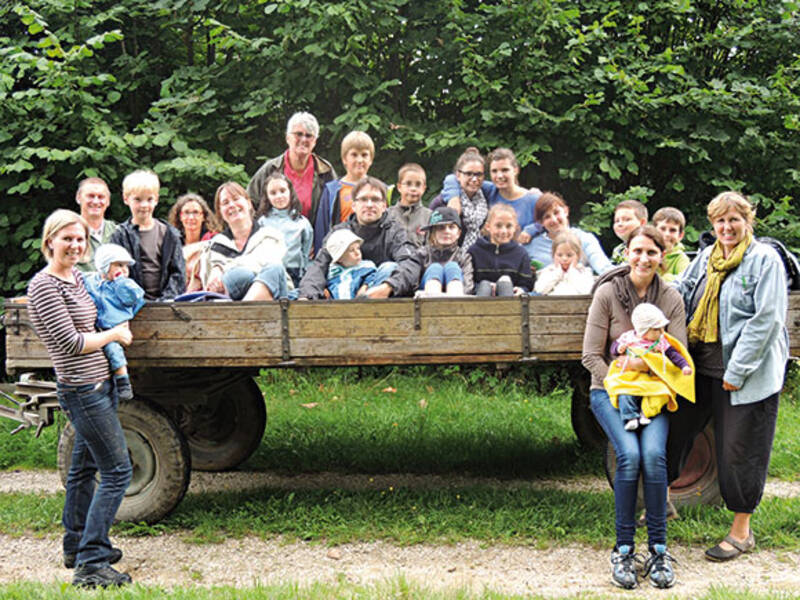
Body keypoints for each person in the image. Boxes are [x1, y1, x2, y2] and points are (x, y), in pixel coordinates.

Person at [668, 191, 788, 562]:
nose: (727, 227)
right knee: (673, 431)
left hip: (745, 373)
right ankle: (663, 504)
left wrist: (737, 370)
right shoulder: (707, 256)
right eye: (720, 220)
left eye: (734, 219)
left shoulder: (765, 260)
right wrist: (647, 283)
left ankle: (741, 531)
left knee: (740, 449)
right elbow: (683, 288)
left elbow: (767, 320)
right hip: (699, 366)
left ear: (748, 221)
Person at [27, 209, 133, 588]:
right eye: (67, 238)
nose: (75, 245)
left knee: (83, 469)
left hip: (99, 385)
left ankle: (76, 545)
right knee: (118, 471)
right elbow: (72, 343)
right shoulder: (44, 286)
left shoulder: (75, 278)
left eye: (80, 239)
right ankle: (91, 563)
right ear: (49, 241)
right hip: (82, 391)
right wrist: (115, 335)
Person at [582, 225, 685, 589]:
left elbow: (678, 356)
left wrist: (643, 369)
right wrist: (621, 379)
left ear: (662, 256)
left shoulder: (671, 297)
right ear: (626, 253)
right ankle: (624, 549)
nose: (643, 258)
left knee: (654, 455)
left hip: (655, 393)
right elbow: (590, 356)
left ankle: (658, 549)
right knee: (629, 456)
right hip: (610, 390)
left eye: (651, 252)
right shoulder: (608, 293)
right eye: (637, 251)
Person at [298, 177, 422, 299]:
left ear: (384, 206)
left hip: (383, 296)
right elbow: (319, 266)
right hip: (342, 292)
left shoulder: (396, 231)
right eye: (363, 199)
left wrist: (388, 286)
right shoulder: (339, 232)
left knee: (390, 267)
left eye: (375, 200)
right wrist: (307, 296)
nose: (369, 205)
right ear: (354, 205)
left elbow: (410, 264)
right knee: (297, 294)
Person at [605, 303, 694, 432]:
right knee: (624, 393)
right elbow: (614, 348)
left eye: (662, 328)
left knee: (662, 393)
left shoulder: (661, 342)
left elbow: (674, 354)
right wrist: (619, 348)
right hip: (631, 377)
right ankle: (630, 417)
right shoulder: (629, 337)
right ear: (643, 330)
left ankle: (646, 412)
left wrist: (684, 366)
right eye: (657, 329)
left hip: (650, 378)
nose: (662, 332)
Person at [202, 181, 290, 301]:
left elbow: (264, 266)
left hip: (275, 302)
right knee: (238, 276)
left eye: (236, 199)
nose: (232, 205)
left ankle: (242, 311)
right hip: (228, 302)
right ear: (220, 212)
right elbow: (210, 287)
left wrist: (221, 268)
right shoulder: (216, 245)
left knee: (273, 268)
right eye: (225, 202)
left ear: (248, 203)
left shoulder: (271, 236)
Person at [246, 111, 336, 228]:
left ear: (314, 142)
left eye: (309, 136)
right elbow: (249, 202)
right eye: (298, 134)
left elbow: (336, 208)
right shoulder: (271, 169)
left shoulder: (325, 171)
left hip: (313, 237)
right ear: (288, 138)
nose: (303, 139)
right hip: (272, 236)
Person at [110, 170, 185, 301]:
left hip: (166, 302)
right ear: (126, 199)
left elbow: (178, 273)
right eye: (138, 200)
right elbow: (116, 273)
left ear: (156, 199)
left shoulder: (169, 234)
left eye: (149, 199)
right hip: (131, 302)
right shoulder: (120, 235)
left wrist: (167, 299)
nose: (144, 205)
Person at [83, 244, 145, 402]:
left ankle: (123, 379)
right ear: (104, 267)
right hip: (94, 327)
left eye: (126, 266)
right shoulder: (92, 281)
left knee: (113, 350)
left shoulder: (123, 286)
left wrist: (121, 282)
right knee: (90, 351)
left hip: (115, 328)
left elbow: (135, 297)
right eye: (118, 265)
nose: (124, 269)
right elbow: (77, 281)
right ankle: (93, 383)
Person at [440, 147, 540, 234]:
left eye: (505, 170)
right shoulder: (489, 190)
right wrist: (454, 198)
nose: (499, 176)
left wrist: (530, 231)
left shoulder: (533, 199)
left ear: (515, 170)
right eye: (494, 171)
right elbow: (453, 178)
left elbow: (546, 222)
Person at [313, 130, 378, 253]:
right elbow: (322, 229)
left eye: (364, 155)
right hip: (341, 254)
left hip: (373, 252)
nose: (360, 160)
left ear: (371, 159)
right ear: (344, 159)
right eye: (354, 155)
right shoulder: (332, 190)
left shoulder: (379, 190)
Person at [523, 192, 612, 275]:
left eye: (556, 213)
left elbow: (603, 266)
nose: (554, 220)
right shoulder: (533, 245)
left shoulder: (585, 239)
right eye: (547, 217)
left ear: (566, 211)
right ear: (541, 222)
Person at [256, 173, 313, 287]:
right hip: (269, 272)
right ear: (267, 196)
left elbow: (306, 251)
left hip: (295, 272)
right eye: (273, 193)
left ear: (290, 192)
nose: (279, 196)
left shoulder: (302, 223)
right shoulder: (262, 223)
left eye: (282, 191)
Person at [468, 204, 532, 296]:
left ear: (515, 228)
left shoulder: (521, 254)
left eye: (509, 226)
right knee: (485, 285)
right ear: (488, 227)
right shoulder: (475, 251)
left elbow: (526, 283)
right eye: (498, 226)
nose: (503, 231)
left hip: (510, 296)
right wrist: (487, 287)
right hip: (481, 295)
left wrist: (521, 289)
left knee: (505, 282)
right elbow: (468, 281)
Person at [167, 193, 220, 292]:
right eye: (186, 212)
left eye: (196, 212)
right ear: (180, 217)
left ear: (203, 217)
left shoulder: (214, 239)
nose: (191, 217)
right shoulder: (172, 243)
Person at [415, 207, 473, 297]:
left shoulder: (463, 257)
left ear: (458, 233)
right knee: (435, 268)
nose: (446, 231)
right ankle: (432, 299)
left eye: (451, 227)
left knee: (452, 267)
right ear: (432, 232)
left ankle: (453, 299)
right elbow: (412, 284)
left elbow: (468, 287)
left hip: (458, 300)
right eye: (441, 228)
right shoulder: (421, 254)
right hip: (423, 299)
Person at [440, 147, 489, 250]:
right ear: (458, 175)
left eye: (478, 174)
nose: (474, 179)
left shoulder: (487, 197)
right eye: (469, 174)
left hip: (482, 254)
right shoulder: (443, 202)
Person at [324, 229, 395, 299]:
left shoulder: (365, 266)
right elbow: (332, 287)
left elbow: (372, 276)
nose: (357, 253)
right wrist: (327, 292)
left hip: (366, 297)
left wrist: (365, 286)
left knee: (389, 267)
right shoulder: (333, 273)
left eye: (358, 248)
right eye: (351, 250)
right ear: (340, 258)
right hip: (341, 303)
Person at [74, 177, 116, 273]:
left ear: (108, 201)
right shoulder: (68, 232)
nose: (96, 201)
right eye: (90, 196)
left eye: (101, 197)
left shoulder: (118, 232)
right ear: (78, 198)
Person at [533, 231, 594, 295]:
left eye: (569, 255)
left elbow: (586, 292)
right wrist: (557, 274)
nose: (564, 259)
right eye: (559, 255)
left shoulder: (584, 272)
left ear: (578, 256)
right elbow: (540, 290)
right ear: (553, 255)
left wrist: (572, 272)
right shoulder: (548, 271)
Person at [386, 163, 431, 247]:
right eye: (408, 184)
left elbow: (431, 247)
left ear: (424, 188)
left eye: (418, 184)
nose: (413, 189)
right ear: (399, 187)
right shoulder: (388, 215)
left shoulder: (429, 216)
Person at [652, 207, 691, 282]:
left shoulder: (681, 259)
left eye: (672, 230)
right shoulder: (645, 252)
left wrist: (664, 279)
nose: (667, 234)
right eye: (662, 229)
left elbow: (684, 281)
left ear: (680, 235)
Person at [610, 200, 648, 265]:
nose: (620, 224)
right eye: (617, 221)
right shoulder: (618, 250)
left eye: (627, 220)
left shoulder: (651, 246)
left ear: (642, 223)